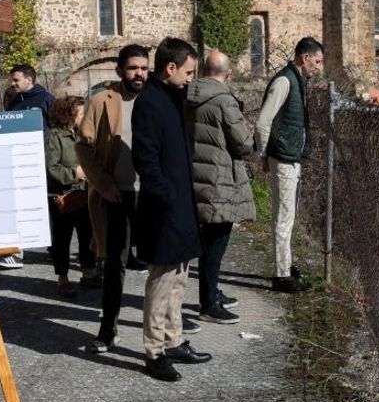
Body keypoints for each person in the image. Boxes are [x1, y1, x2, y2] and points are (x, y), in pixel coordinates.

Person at [132, 37, 212, 382]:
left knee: (180, 277)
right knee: (162, 280)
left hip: (179, 204)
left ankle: (174, 339)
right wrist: (166, 196)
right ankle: (154, 352)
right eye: (189, 71)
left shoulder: (172, 97)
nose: (191, 78)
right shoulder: (150, 103)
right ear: (170, 68)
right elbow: (146, 159)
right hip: (164, 208)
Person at [75, 44, 150, 353]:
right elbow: (83, 147)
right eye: (133, 68)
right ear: (120, 70)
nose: (140, 74)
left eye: (144, 68)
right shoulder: (101, 101)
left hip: (151, 195)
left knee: (161, 263)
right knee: (114, 263)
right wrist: (103, 184)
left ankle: (165, 328)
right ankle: (108, 327)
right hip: (117, 194)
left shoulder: (157, 99)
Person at [185, 50, 255, 324]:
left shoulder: (185, 94)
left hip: (191, 175)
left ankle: (210, 291)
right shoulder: (224, 100)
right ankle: (208, 302)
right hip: (218, 179)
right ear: (227, 74)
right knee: (217, 241)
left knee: (204, 240)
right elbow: (243, 142)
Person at [254, 37, 324, 293]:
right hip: (283, 158)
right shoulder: (285, 81)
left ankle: (285, 265)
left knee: (287, 216)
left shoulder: (298, 81)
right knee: (283, 218)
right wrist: (263, 155)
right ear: (305, 58)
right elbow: (263, 121)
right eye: (317, 61)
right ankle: (281, 275)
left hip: (290, 157)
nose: (318, 67)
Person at [0, 64, 56, 270]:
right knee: (19, 207)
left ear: (29, 79)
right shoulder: (14, 101)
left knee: (48, 207)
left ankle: (55, 249)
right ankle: (15, 254)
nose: (12, 84)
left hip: (43, 162)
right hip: (19, 162)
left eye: (16, 80)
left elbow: (57, 129)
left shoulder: (46, 100)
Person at [45, 96, 99, 298]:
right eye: (81, 113)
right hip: (63, 197)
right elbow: (51, 167)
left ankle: (89, 272)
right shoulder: (54, 136)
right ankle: (62, 278)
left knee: (87, 235)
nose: (85, 116)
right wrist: (73, 173)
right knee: (62, 240)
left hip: (84, 194)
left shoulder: (82, 134)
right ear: (68, 115)